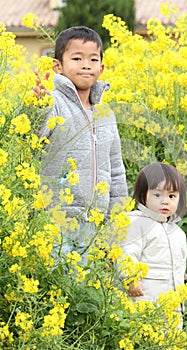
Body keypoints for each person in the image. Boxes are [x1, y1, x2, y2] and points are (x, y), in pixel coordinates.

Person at [37, 26, 128, 252]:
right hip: (54, 222)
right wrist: (35, 107)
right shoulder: (53, 104)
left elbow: (116, 171)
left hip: (94, 228)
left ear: (101, 67)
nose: (86, 65)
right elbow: (31, 136)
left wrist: (115, 224)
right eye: (77, 58)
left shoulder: (106, 114)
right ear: (58, 66)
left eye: (93, 59)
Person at [121, 162, 187, 303]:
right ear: (143, 195)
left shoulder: (178, 233)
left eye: (171, 196)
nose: (165, 201)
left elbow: (180, 268)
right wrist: (131, 278)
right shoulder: (136, 222)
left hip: (171, 305)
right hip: (143, 300)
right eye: (157, 195)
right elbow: (127, 253)